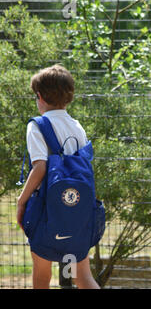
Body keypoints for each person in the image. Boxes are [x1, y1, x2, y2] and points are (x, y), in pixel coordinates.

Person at [16, 65, 99, 289]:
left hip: (47, 214)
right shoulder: (77, 126)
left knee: (42, 276)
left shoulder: (37, 126)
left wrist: (21, 201)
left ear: (40, 97)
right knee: (81, 276)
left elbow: (40, 167)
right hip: (77, 213)